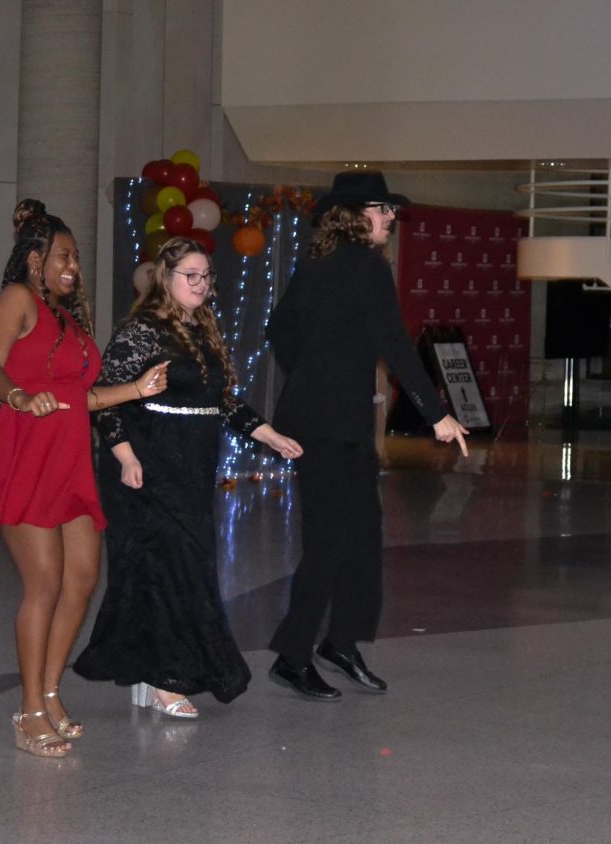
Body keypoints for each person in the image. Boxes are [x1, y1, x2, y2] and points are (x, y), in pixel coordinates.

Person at [0, 199, 168, 758]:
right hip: (26, 454)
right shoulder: (17, 300)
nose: (73, 267)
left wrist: (138, 389)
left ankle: (50, 691)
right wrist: (18, 395)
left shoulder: (70, 320)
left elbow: (84, 397)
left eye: (76, 258)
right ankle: (29, 708)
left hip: (72, 458)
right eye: (64, 256)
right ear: (34, 259)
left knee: (81, 578)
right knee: (45, 584)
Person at [74, 236, 302, 717]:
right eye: (191, 276)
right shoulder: (142, 330)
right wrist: (125, 457)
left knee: (188, 565)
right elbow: (105, 397)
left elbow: (221, 401)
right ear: (166, 278)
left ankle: (158, 667)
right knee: (164, 567)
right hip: (149, 463)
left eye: (206, 276)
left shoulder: (202, 328)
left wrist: (268, 434)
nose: (201, 284)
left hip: (192, 466)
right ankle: (164, 677)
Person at [266, 171, 470, 701]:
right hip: (328, 425)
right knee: (331, 540)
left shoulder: (316, 265)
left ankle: (339, 642)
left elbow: (278, 330)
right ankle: (292, 656)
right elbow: (396, 344)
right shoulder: (366, 267)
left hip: (333, 420)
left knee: (359, 537)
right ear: (356, 215)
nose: (391, 219)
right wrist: (436, 413)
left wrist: (310, 374)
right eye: (383, 210)